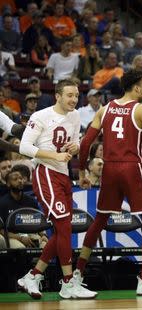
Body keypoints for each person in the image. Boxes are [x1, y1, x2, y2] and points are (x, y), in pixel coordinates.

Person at [75, 69, 142, 296]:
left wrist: (82, 170)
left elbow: (85, 144)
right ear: (135, 87)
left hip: (110, 169)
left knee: (99, 220)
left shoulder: (104, 110)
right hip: (132, 167)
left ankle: (76, 276)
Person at [16, 79, 96, 299]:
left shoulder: (75, 116)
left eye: (76, 95)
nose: (74, 100)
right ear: (58, 96)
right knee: (64, 227)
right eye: (69, 95)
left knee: (62, 230)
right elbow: (24, 147)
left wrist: (76, 146)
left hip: (63, 175)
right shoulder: (40, 116)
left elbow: (74, 143)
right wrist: (54, 155)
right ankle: (68, 283)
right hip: (45, 173)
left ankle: (32, 276)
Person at [0, 170, 47, 249]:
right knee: (20, 248)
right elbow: (1, 230)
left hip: (31, 234)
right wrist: (20, 238)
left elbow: (40, 221)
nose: (20, 181)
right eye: (15, 179)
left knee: (46, 246)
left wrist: (43, 235)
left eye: (21, 178)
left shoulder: (31, 201)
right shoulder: (3, 203)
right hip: (13, 236)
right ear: (8, 184)